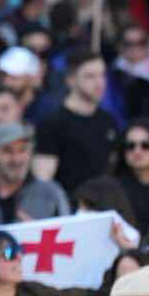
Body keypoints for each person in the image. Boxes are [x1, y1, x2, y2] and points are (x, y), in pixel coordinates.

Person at [0, 122, 70, 234]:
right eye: (7, 151)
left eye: (22, 150)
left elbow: (69, 235)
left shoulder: (50, 194)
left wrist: (37, 235)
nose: (16, 160)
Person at [32, 53, 120, 195]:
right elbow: (43, 181)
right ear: (71, 80)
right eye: (90, 76)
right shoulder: (52, 124)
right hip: (69, 209)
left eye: (102, 75)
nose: (99, 82)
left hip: (102, 205)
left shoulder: (108, 121)